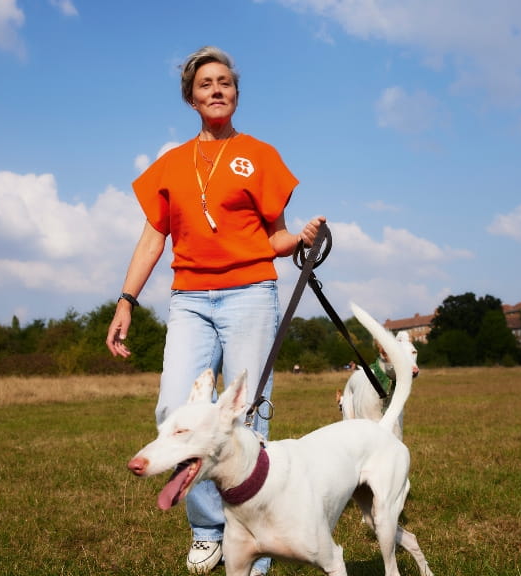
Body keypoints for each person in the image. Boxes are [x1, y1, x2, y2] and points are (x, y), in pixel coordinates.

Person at [105, 45, 325, 576]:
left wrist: (301, 240)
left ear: (236, 92)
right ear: (191, 97)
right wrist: (126, 301)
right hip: (189, 300)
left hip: (251, 292)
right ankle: (209, 530)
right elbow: (151, 240)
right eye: (206, 84)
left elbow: (273, 238)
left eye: (225, 81)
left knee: (250, 415)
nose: (217, 89)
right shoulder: (171, 164)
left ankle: (254, 534)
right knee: (171, 411)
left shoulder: (260, 154)